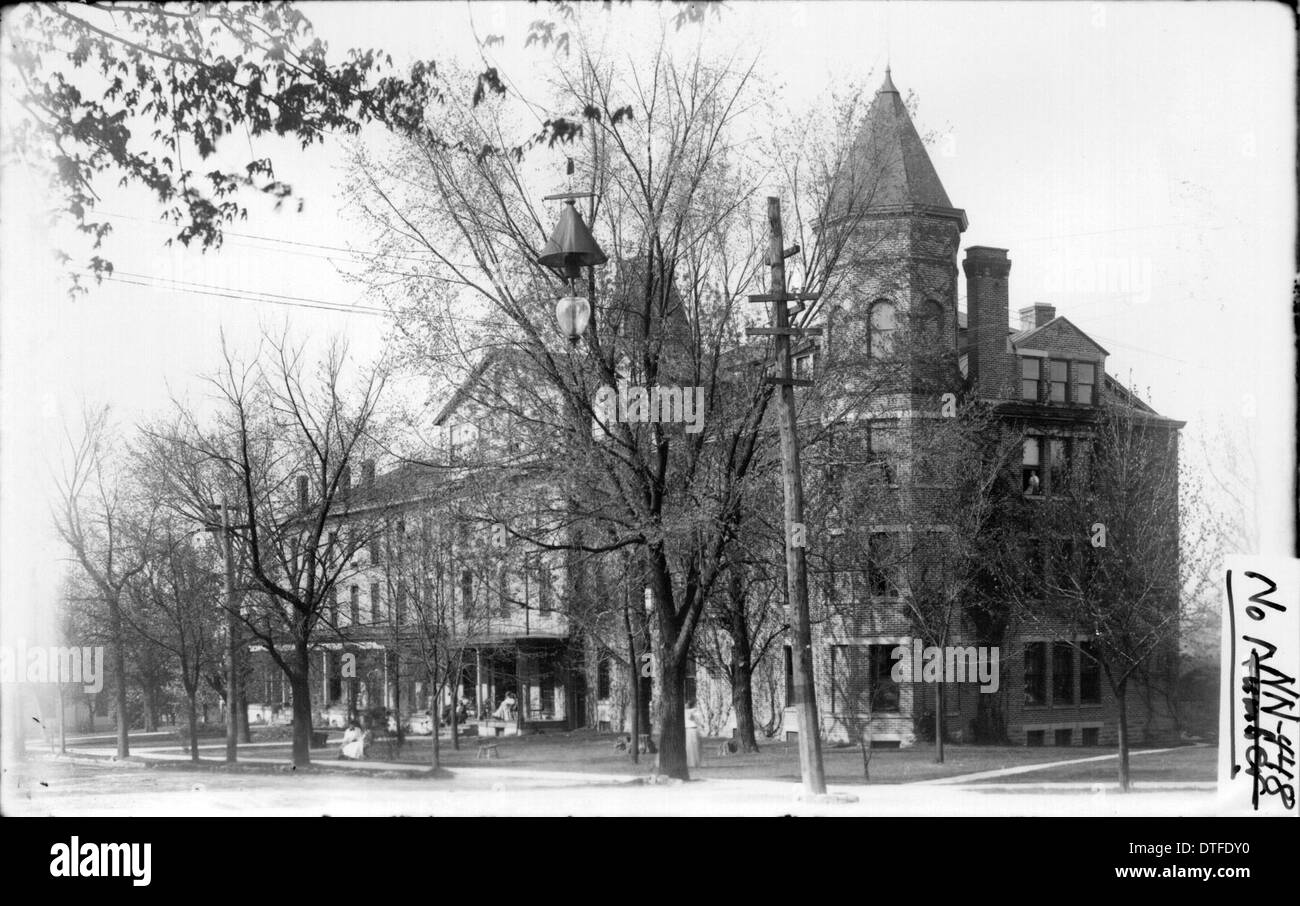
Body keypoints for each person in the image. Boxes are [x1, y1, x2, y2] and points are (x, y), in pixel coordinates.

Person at [684, 700, 702, 769]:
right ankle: (692, 763)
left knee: (691, 747)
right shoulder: (694, 712)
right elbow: (696, 720)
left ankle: (692, 763)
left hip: (690, 729)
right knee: (692, 747)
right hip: (691, 730)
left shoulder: (688, 711)